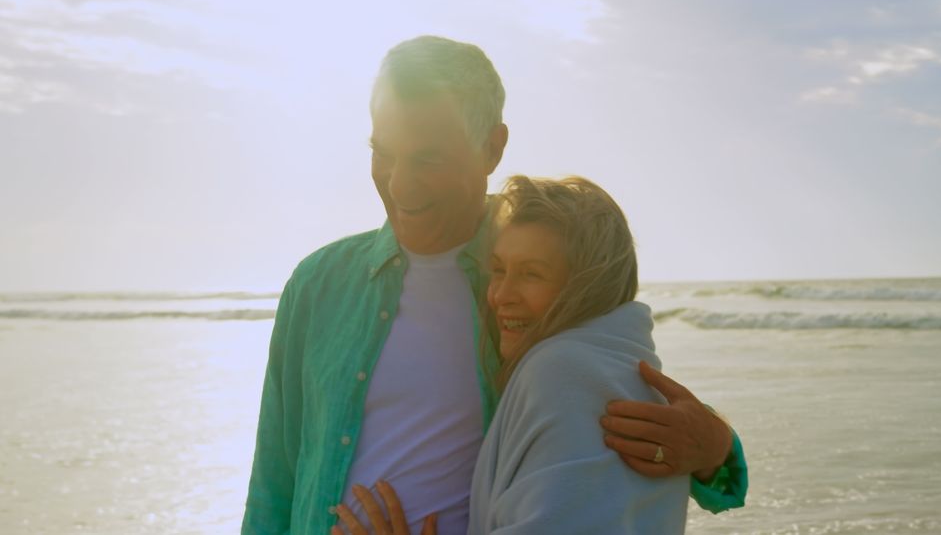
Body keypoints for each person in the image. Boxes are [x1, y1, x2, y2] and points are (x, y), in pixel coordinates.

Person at [241, 35, 746, 535]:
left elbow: (613, 402)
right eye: (383, 153)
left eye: (427, 158)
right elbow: (274, 482)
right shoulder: (319, 283)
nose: (398, 184)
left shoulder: (537, 275)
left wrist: (716, 450)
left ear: (492, 147)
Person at [337, 175, 714, 535]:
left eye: (532, 274)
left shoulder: (562, 371)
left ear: (587, 285)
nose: (501, 295)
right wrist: (722, 453)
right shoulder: (624, 364)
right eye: (499, 270)